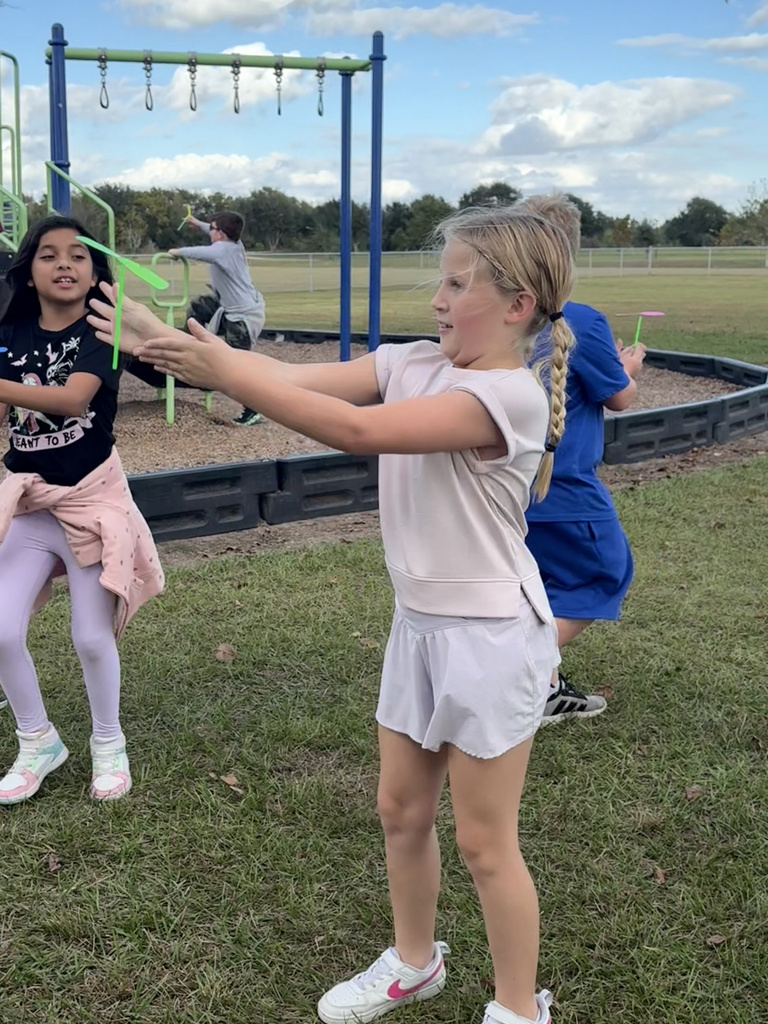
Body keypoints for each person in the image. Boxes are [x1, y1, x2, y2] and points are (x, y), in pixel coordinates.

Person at [89, 204, 576, 1024]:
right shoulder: (417, 361)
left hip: (491, 639)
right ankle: (414, 963)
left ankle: (518, 1009)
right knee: (401, 811)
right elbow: (286, 380)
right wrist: (162, 342)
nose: (439, 300)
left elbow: (353, 430)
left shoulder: (508, 398)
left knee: (485, 845)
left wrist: (218, 371)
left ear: (518, 303)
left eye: (458, 284)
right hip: (419, 627)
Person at [0, 216, 164, 805]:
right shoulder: (10, 330)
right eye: (48, 254)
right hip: (32, 506)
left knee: (92, 638)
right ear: (29, 270)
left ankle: (108, 743)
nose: (64, 263)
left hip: (93, 505)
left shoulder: (102, 330)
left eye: (78, 254)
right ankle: (38, 741)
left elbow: (72, 399)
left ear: (96, 271)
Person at [517, 194, 646, 725]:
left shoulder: (496, 316)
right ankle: (521, 674)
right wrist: (628, 367)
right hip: (563, 483)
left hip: (504, 484)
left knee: (536, 585)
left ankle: (542, 684)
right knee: (606, 572)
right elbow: (618, 397)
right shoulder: (582, 321)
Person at [171, 210, 266, 426]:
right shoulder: (234, 243)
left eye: (212, 228)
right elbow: (210, 230)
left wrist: (177, 251)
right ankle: (191, 346)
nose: (209, 230)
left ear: (221, 233)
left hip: (243, 316)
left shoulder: (222, 250)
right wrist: (197, 223)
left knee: (237, 365)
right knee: (199, 307)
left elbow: (201, 253)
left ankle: (253, 409)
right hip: (228, 306)